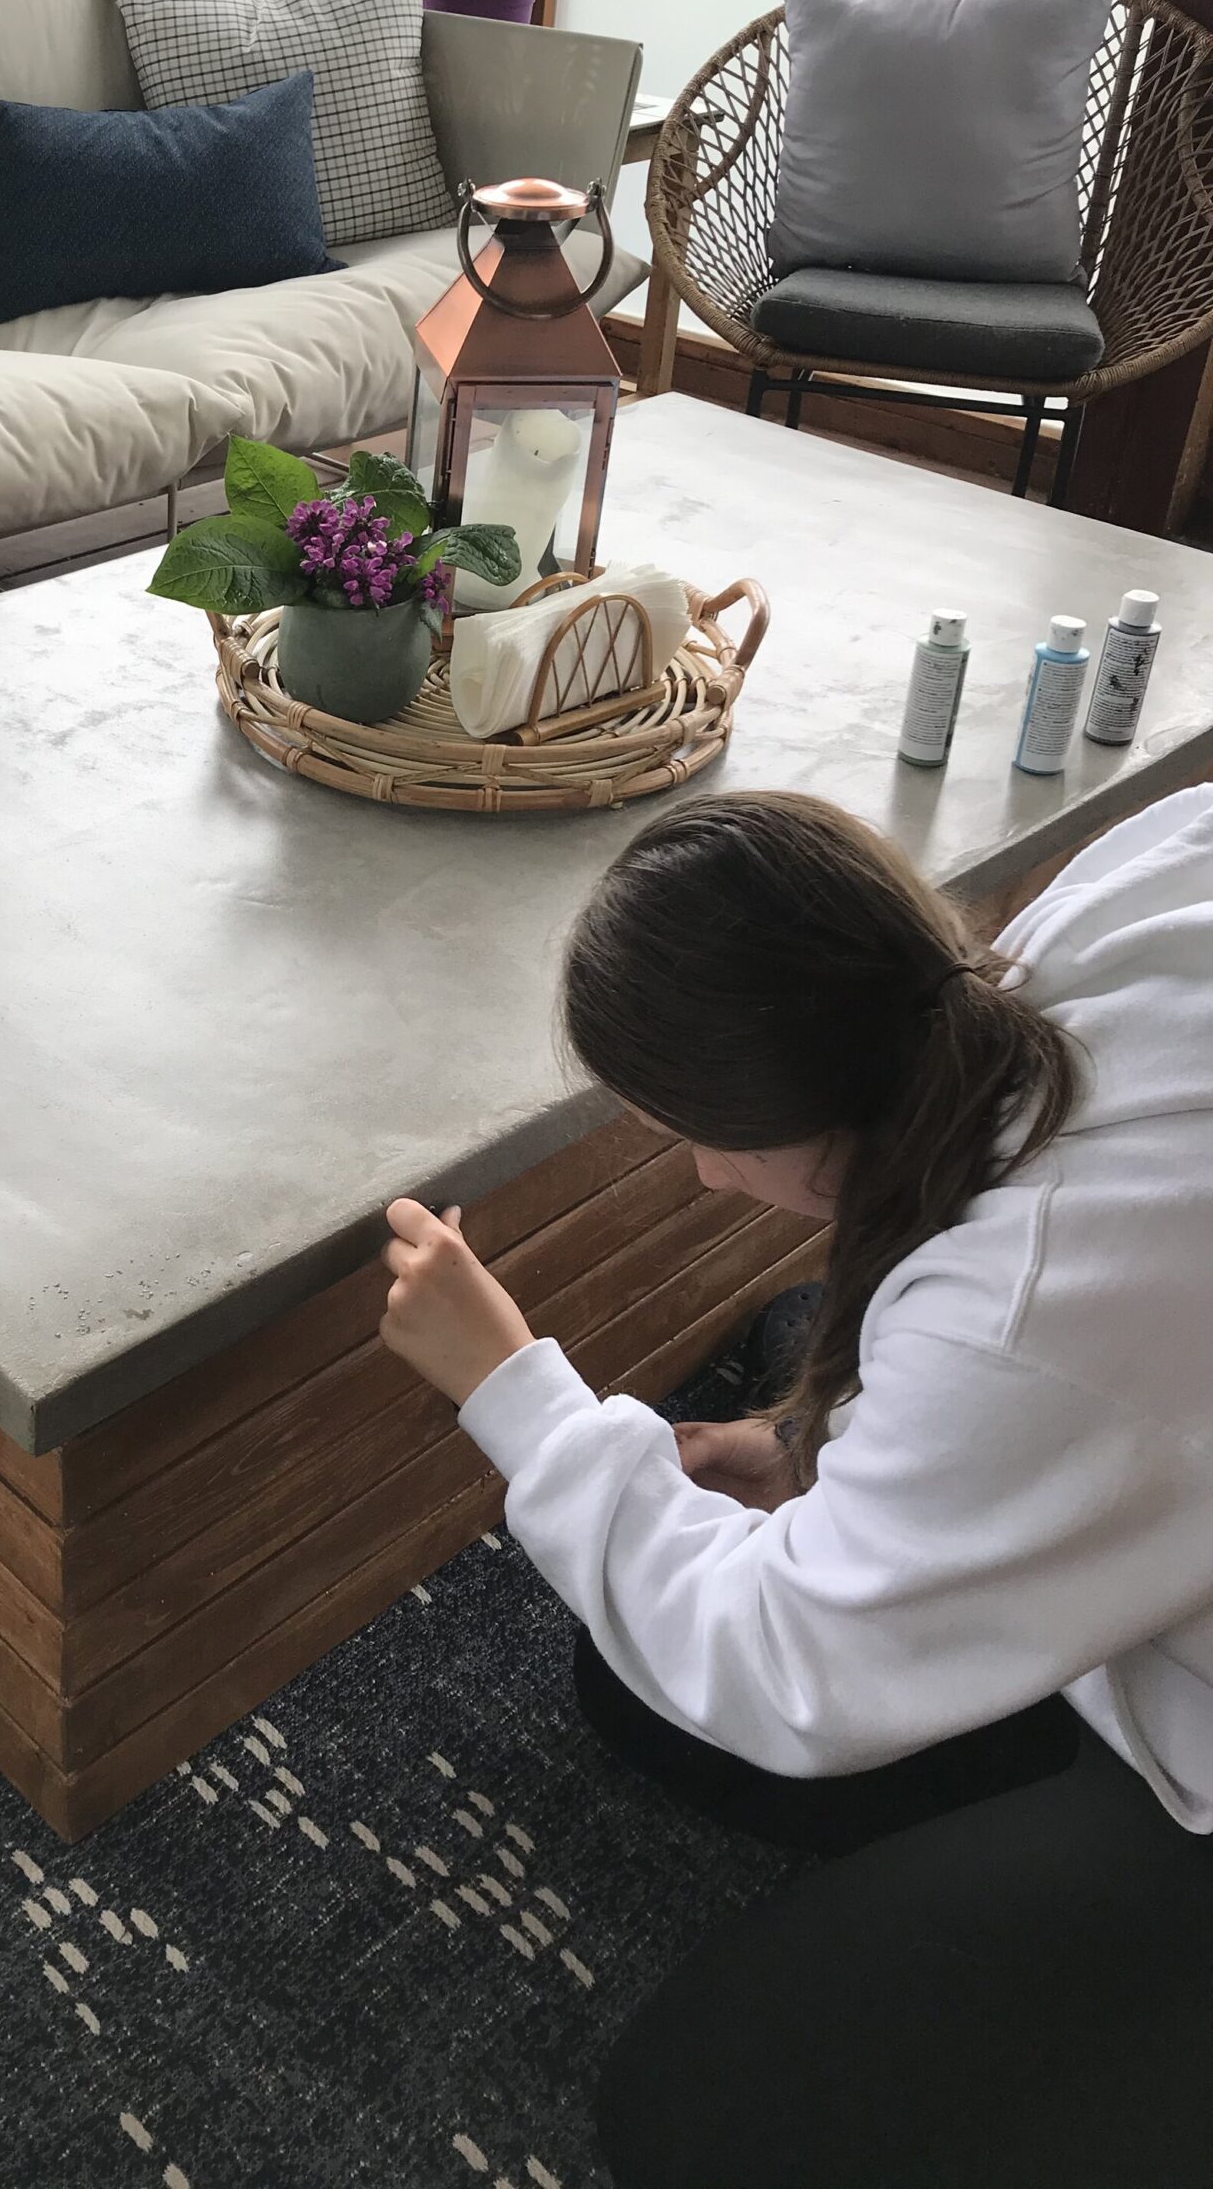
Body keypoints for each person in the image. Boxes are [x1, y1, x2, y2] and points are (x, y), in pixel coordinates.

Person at [379, 784, 1213, 2189]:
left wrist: (514, 1391)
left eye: (695, 1133)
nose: (705, 1177)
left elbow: (781, 1665)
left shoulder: (1023, 1316)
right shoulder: (1142, 884)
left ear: (781, 1114)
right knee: (636, 1660)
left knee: (696, 2120)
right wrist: (839, 1444)